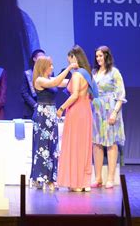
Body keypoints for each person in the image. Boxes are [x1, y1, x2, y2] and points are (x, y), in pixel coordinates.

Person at [30, 56, 77, 191]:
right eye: (50, 65)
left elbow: (66, 82)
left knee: (52, 147)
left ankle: (51, 178)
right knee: (42, 147)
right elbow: (56, 82)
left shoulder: (50, 79)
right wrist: (68, 67)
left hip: (51, 115)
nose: (52, 67)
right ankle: (39, 178)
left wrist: (80, 75)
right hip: (42, 115)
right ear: (43, 66)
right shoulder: (39, 80)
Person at [56, 45, 98, 192]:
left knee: (74, 146)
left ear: (75, 58)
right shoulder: (87, 74)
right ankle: (83, 182)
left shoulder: (77, 75)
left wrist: (61, 108)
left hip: (75, 112)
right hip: (86, 112)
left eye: (69, 61)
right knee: (83, 146)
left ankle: (76, 183)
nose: (69, 64)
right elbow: (91, 95)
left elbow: (74, 96)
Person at [91, 46, 126, 189]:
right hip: (96, 111)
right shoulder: (94, 72)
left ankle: (110, 177)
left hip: (110, 109)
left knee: (111, 143)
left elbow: (121, 95)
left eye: (100, 56)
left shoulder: (114, 72)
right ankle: (98, 177)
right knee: (97, 143)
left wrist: (114, 112)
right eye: (97, 56)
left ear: (106, 56)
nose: (98, 58)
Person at [21, 49, 45, 119]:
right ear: (34, 59)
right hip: (30, 109)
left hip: (45, 108)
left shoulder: (48, 73)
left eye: (44, 57)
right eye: (41, 57)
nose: (43, 59)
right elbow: (24, 92)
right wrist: (35, 105)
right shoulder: (28, 73)